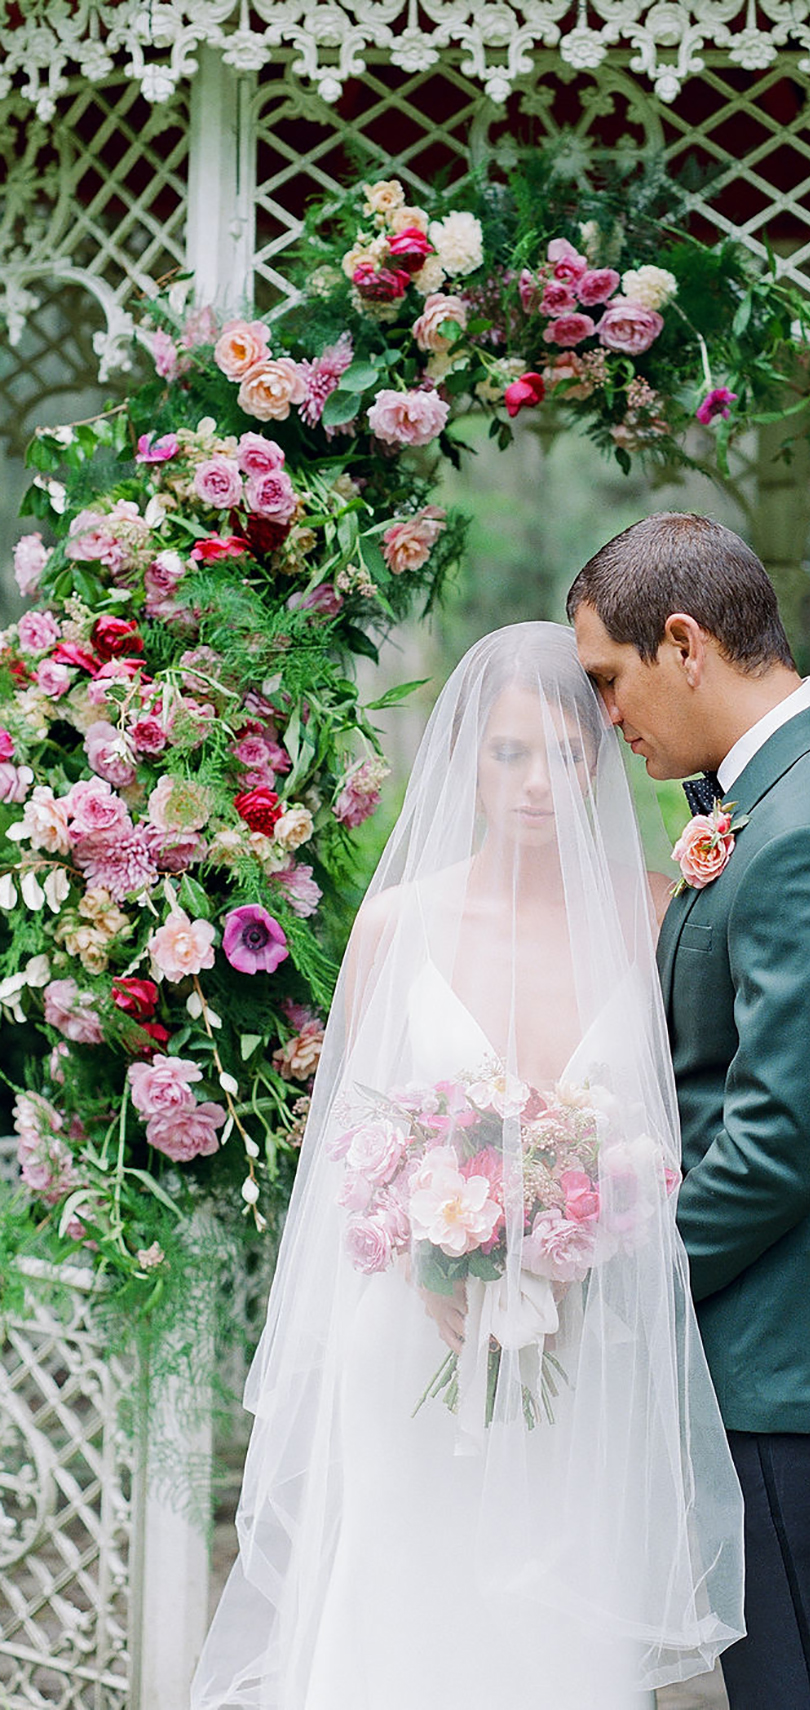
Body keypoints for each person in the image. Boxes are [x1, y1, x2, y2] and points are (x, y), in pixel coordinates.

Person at [191, 622, 744, 1710]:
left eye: (566, 753)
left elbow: (691, 1126)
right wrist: (423, 1259)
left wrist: (594, 1223)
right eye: (508, 754)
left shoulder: (656, 916)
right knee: (404, 1624)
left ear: (602, 757)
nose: (539, 783)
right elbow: (352, 1141)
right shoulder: (400, 926)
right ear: (464, 760)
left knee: (551, 1631)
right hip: (410, 1344)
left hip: (583, 1346)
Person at [569, 513, 810, 1710]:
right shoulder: (777, 794)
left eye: (609, 679)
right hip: (782, 1356)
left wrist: (607, 1294)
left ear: (683, 644)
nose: (606, 716)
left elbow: (774, 1147)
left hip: (803, 1367)